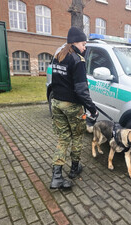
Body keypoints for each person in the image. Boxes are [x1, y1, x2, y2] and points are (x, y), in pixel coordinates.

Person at [50, 26, 98, 190]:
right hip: (71, 105)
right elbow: (81, 90)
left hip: (56, 103)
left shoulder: (58, 55)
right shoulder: (77, 60)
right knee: (77, 137)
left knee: (63, 138)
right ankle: (74, 169)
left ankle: (56, 176)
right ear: (75, 42)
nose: (85, 48)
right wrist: (92, 108)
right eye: (84, 44)